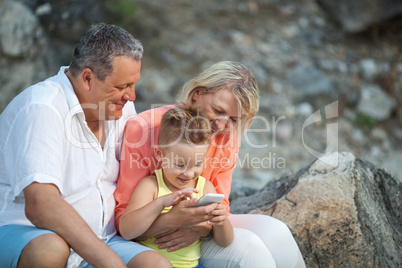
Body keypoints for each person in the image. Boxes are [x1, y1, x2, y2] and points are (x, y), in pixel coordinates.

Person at [0, 23, 171, 268]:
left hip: (103, 239)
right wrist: (112, 264)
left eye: (133, 85)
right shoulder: (42, 108)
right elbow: (41, 205)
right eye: (122, 87)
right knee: (49, 250)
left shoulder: (120, 108)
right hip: (26, 233)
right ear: (88, 78)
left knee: (156, 265)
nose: (131, 96)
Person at [115, 61, 306, 267]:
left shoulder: (226, 137)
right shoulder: (143, 128)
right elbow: (123, 220)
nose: (222, 125)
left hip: (198, 234)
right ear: (197, 93)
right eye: (218, 110)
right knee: (250, 248)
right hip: (150, 240)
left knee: (277, 231)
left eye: (233, 119)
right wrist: (173, 221)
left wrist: (200, 229)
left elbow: (221, 206)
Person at [120, 104, 234, 268]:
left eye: (197, 164)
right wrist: (160, 203)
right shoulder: (151, 186)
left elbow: (225, 242)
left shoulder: (205, 187)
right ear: (160, 155)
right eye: (180, 165)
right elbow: (127, 231)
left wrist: (221, 222)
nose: (188, 174)